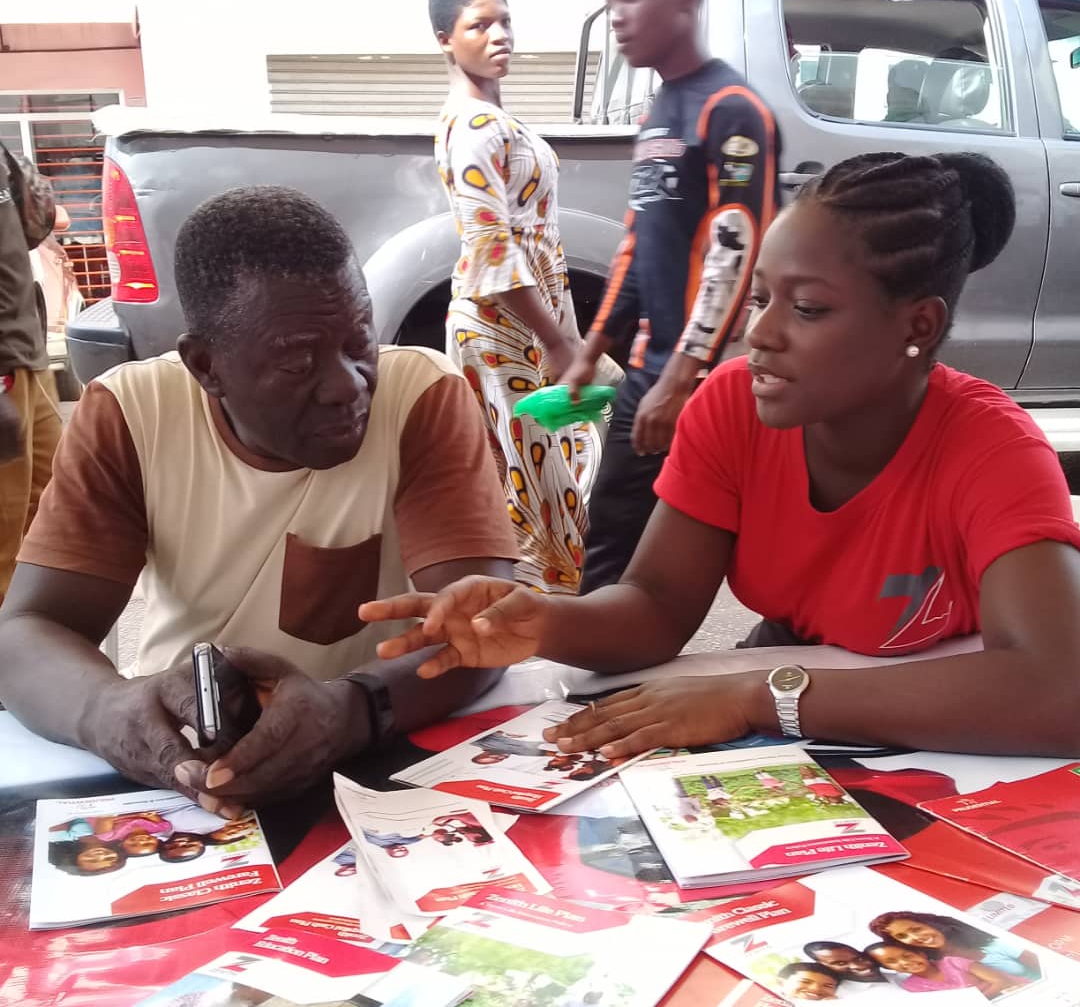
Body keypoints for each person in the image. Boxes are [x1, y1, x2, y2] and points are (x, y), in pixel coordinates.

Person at [361, 151, 1080, 760]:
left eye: (807, 309)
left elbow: (1058, 691)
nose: (759, 334)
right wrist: (540, 623)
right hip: (805, 695)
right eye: (760, 298)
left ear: (917, 326)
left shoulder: (993, 449)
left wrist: (760, 697)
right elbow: (656, 604)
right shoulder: (732, 407)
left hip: (951, 729)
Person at [0, 185, 517, 817]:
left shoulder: (420, 397)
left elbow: (482, 624)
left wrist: (354, 709)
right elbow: (25, 634)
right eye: (298, 364)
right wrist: (110, 710)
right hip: (193, 769)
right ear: (205, 366)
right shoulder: (133, 414)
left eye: (359, 342)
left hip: (376, 750)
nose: (347, 385)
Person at [567, 0, 781, 591]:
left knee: (640, 551)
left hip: (695, 381)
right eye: (612, 1)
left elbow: (735, 252)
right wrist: (591, 347)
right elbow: (638, 241)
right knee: (615, 539)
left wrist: (682, 379)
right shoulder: (661, 107)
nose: (618, 17)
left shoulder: (732, 110)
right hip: (651, 372)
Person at [429, 0, 603, 592]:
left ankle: (534, 613)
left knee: (547, 474)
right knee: (539, 490)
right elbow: (491, 248)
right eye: (479, 25)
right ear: (446, 40)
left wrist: (565, 335)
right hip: (500, 330)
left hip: (524, 327)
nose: (499, 35)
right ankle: (534, 618)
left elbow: (539, 243)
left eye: (504, 21)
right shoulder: (474, 127)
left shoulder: (493, 120)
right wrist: (557, 341)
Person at [0, 143, 62, 602]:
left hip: (26, 351)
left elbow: (35, 225)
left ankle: (30, 625)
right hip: (4, 364)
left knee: (54, 508)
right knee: (4, 528)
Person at [868, 911, 1041, 980]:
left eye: (916, 929)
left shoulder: (992, 943)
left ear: (930, 923)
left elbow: (1047, 966)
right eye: (902, 937)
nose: (915, 938)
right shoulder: (933, 967)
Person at [864, 941, 1023, 995]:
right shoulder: (912, 987)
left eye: (907, 955)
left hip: (1017, 992)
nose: (905, 962)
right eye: (892, 961)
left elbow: (1001, 981)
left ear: (920, 953)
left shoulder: (953, 962)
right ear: (889, 968)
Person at [803, 942, 886, 983]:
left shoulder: (891, 974)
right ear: (823, 967)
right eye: (841, 963)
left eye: (859, 959)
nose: (857, 966)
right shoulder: (840, 998)